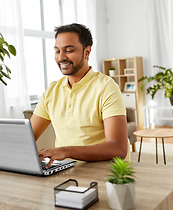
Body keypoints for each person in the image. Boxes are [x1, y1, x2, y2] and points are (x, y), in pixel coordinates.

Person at [30, 23, 128, 168]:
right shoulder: (52, 91)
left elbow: (118, 148)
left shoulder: (106, 87)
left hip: (100, 172)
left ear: (87, 52)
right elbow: (28, 137)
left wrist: (65, 151)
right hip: (64, 172)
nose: (61, 57)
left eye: (68, 50)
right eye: (57, 51)